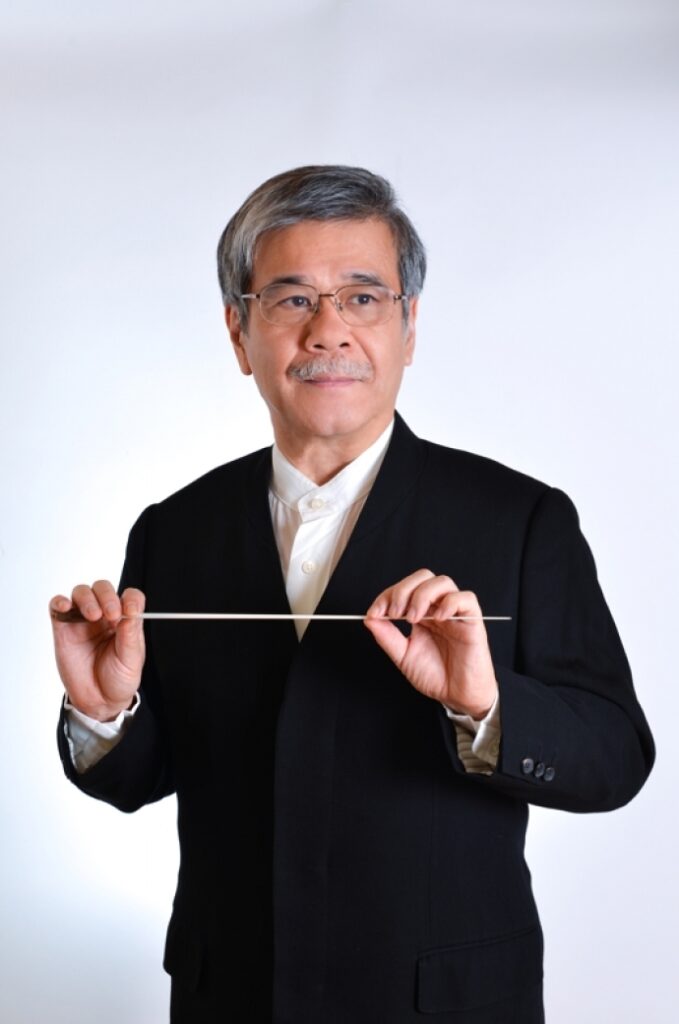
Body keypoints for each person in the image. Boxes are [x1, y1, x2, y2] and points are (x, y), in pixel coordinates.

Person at [50, 165, 654, 1024]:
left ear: (408, 328)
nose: (328, 329)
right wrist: (106, 714)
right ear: (238, 333)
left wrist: (483, 706)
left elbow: (614, 758)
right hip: (232, 997)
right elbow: (143, 777)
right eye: (292, 299)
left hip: (445, 1004)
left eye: (363, 298)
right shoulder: (173, 529)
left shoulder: (520, 519)